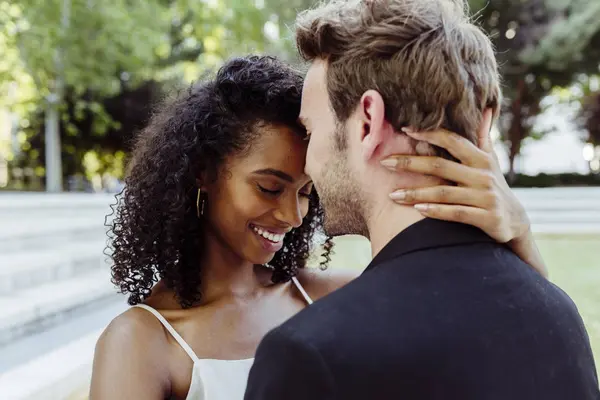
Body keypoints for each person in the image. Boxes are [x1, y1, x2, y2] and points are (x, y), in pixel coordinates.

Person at [91, 55, 547, 400]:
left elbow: (519, 327)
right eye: (270, 188)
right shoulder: (142, 340)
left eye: (306, 193)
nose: (292, 216)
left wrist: (518, 228)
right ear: (203, 173)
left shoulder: (336, 297)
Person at [244, 1, 600, 399]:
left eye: (311, 132)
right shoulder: (558, 315)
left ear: (368, 122)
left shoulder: (309, 355)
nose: (308, 163)